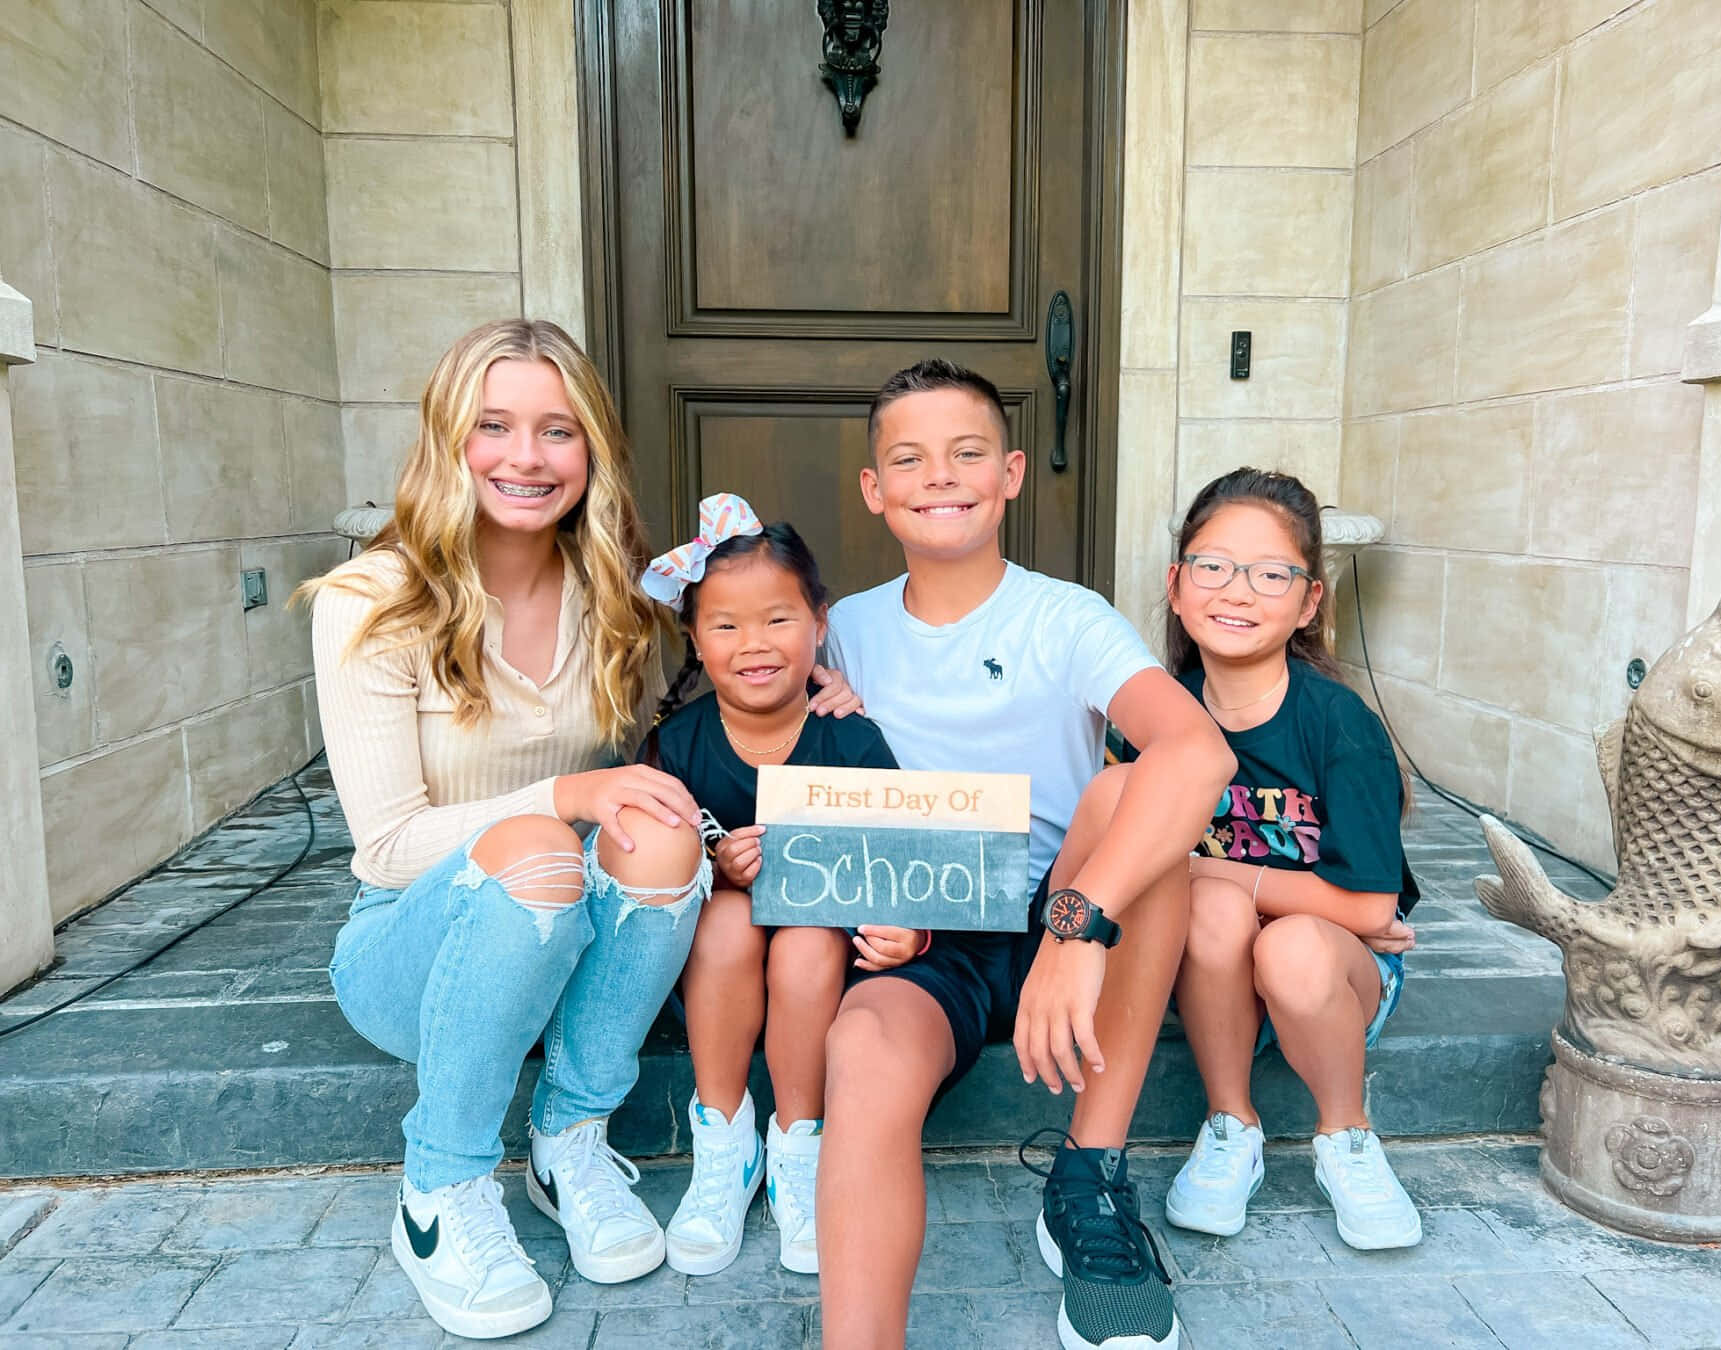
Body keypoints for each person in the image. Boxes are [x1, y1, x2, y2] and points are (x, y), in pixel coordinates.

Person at [302, 319, 711, 1339]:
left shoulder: (615, 592)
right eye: (493, 426)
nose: (525, 457)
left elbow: (708, 700)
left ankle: (570, 1143)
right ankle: (440, 1190)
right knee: (536, 846)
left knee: (665, 835)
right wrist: (564, 801)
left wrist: (812, 691)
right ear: (449, 437)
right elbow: (389, 845)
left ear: (592, 451)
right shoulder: (371, 603)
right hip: (417, 946)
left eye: (557, 430)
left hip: (568, 939)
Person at [815, 359, 1236, 1350]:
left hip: (1066, 899)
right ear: (875, 491)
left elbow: (1199, 750)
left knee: (1136, 790)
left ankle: (1089, 1176)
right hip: (925, 929)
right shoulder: (840, 632)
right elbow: (800, 792)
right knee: (863, 1047)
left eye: (966, 453)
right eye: (909, 459)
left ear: (1009, 473)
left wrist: (1077, 928)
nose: (940, 476)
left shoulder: (1066, 615)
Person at [635, 495, 921, 1279]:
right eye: (725, 625)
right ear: (694, 636)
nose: (753, 645)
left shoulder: (850, 738)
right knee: (728, 920)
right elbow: (646, 864)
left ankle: (800, 1143)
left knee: (804, 933)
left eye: (778, 620)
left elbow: (904, 865)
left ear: (819, 624)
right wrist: (715, 861)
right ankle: (724, 1138)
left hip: (817, 957)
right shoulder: (679, 743)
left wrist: (912, 931)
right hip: (711, 964)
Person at [1154, 467, 1423, 1252]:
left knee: (1292, 943)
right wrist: (1238, 890)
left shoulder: (1338, 725)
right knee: (1216, 910)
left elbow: (1371, 912)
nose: (1237, 592)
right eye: (1213, 566)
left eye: (1271, 574)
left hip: (1330, 975)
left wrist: (1209, 869)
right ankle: (1231, 1125)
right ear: (1177, 585)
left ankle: (1347, 1137)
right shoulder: (1156, 714)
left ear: (1309, 601)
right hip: (1208, 971)